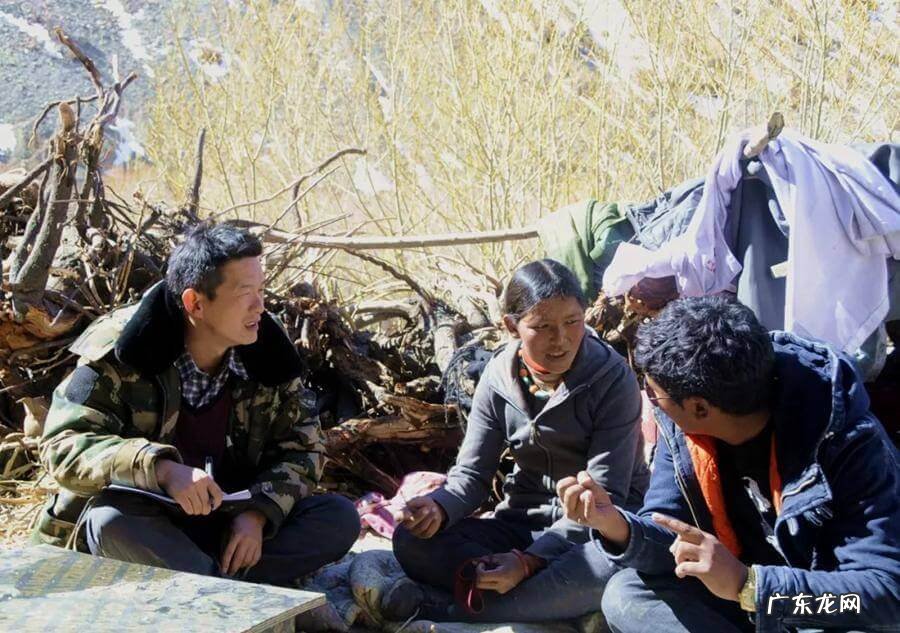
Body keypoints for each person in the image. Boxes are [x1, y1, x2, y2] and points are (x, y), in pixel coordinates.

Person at [35, 223, 359, 586]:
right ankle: (230, 595)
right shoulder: (124, 347)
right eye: (245, 293)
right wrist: (161, 469)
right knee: (109, 521)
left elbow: (305, 448)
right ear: (195, 303)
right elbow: (62, 446)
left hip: (226, 522)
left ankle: (207, 587)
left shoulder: (267, 348)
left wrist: (257, 515)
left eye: (262, 291)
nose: (260, 306)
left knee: (337, 517)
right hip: (148, 522)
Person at [558, 295, 900, 632]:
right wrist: (617, 526)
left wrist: (750, 586)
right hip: (743, 606)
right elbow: (676, 536)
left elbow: (885, 596)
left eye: (653, 394)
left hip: (814, 614)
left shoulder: (848, 445)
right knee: (627, 594)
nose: (652, 404)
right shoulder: (684, 428)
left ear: (699, 407)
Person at [388, 259, 650, 622]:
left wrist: (529, 561)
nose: (561, 340)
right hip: (522, 523)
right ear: (512, 326)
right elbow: (472, 476)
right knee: (411, 541)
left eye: (573, 322)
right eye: (542, 326)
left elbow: (606, 498)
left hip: (596, 530)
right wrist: (439, 507)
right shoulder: (498, 379)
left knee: (606, 573)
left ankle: (457, 607)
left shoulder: (612, 380)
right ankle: (520, 595)